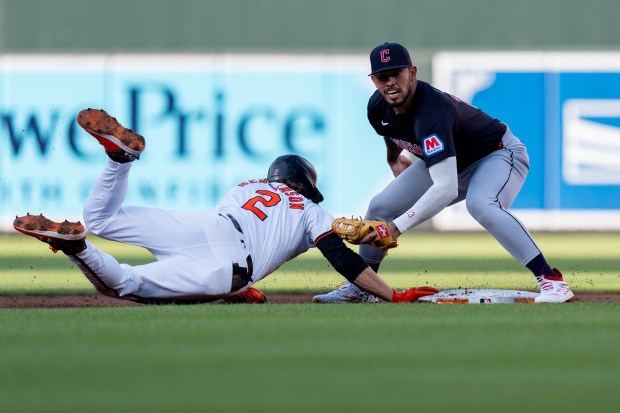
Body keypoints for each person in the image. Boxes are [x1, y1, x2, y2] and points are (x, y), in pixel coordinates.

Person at [13, 108, 438, 304]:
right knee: (123, 284)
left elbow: (245, 233)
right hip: (229, 265)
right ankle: (77, 249)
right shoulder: (310, 211)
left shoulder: (246, 186)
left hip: (207, 225)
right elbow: (341, 257)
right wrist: (390, 293)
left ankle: (118, 159)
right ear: (305, 186)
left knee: (102, 217)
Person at [313, 42, 574, 304]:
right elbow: (390, 130)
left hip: (497, 154)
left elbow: (446, 187)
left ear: (412, 72)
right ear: (373, 80)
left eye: (397, 74)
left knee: (481, 204)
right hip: (451, 160)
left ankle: (552, 280)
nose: (390, 82)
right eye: (382, 77)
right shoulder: (377, 107)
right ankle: (362, 287)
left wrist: (397, 227)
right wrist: (393, 157)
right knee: (380, 206)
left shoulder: (433, 111)